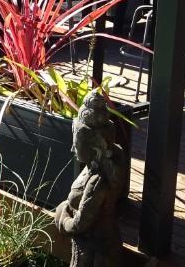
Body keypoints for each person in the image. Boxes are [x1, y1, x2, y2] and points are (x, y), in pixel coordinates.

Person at [55, 90, 124, 266]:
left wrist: (62, 214)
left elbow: (79, 224)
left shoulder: (97, 181)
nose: (73, 149)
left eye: (77, 145)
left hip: (92, 252)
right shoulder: (101, 164)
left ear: (95, 148)